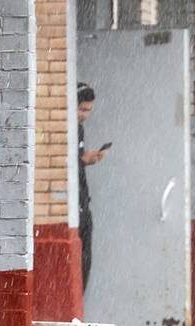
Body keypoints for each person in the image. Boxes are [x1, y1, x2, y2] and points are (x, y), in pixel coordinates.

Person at [77, 82, 108, 290]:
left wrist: (85, 159)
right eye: (82, 109)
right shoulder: (62, 130)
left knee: (86, 258)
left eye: (89, 110)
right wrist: (82, 160)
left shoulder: (78, 129)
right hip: (75, 206)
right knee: (81, 257)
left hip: (82, 202)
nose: (85, 115)